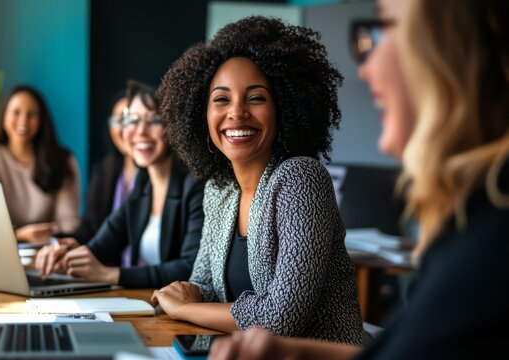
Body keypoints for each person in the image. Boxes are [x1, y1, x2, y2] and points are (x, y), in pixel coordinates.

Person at [209, 0, 509, 358]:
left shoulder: (495, 233)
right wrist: (292, 352)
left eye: (383, 31)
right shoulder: (470, 212)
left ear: (457, 50)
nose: (366, 69)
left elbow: (278, 316)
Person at [151, 16, 369, 345]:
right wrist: (186, 299)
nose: (236, 113)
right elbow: (203, 288)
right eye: (221, 99)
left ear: (283, 108)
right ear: (202, 113)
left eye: (256, 98)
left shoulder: (301, 179)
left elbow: (280, 320)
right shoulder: (220, 191)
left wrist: (183, 309)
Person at [34, 80, 205, 288]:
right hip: (150, 305)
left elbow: (190, 267)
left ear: (174, 127)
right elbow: (102, 245)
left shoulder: (195, 185)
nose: (140, 131)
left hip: (178, 311)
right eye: (132, 120)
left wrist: (111, 275)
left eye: (154, 120)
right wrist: (66, 253)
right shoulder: (143, 184)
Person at [0, 85, 80, 244]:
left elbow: (69, 225)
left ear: (41, 121)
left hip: (47, 252)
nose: (23, 121)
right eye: (16, 113)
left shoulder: (64, 160)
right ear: (3, 117)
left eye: (32, 115)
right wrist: (19, 235)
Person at [73, 92, 138, 244]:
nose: (124, 129)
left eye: (131, 120)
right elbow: (90, 228)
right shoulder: (104, 170)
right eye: (118, 121)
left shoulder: (160, 176)